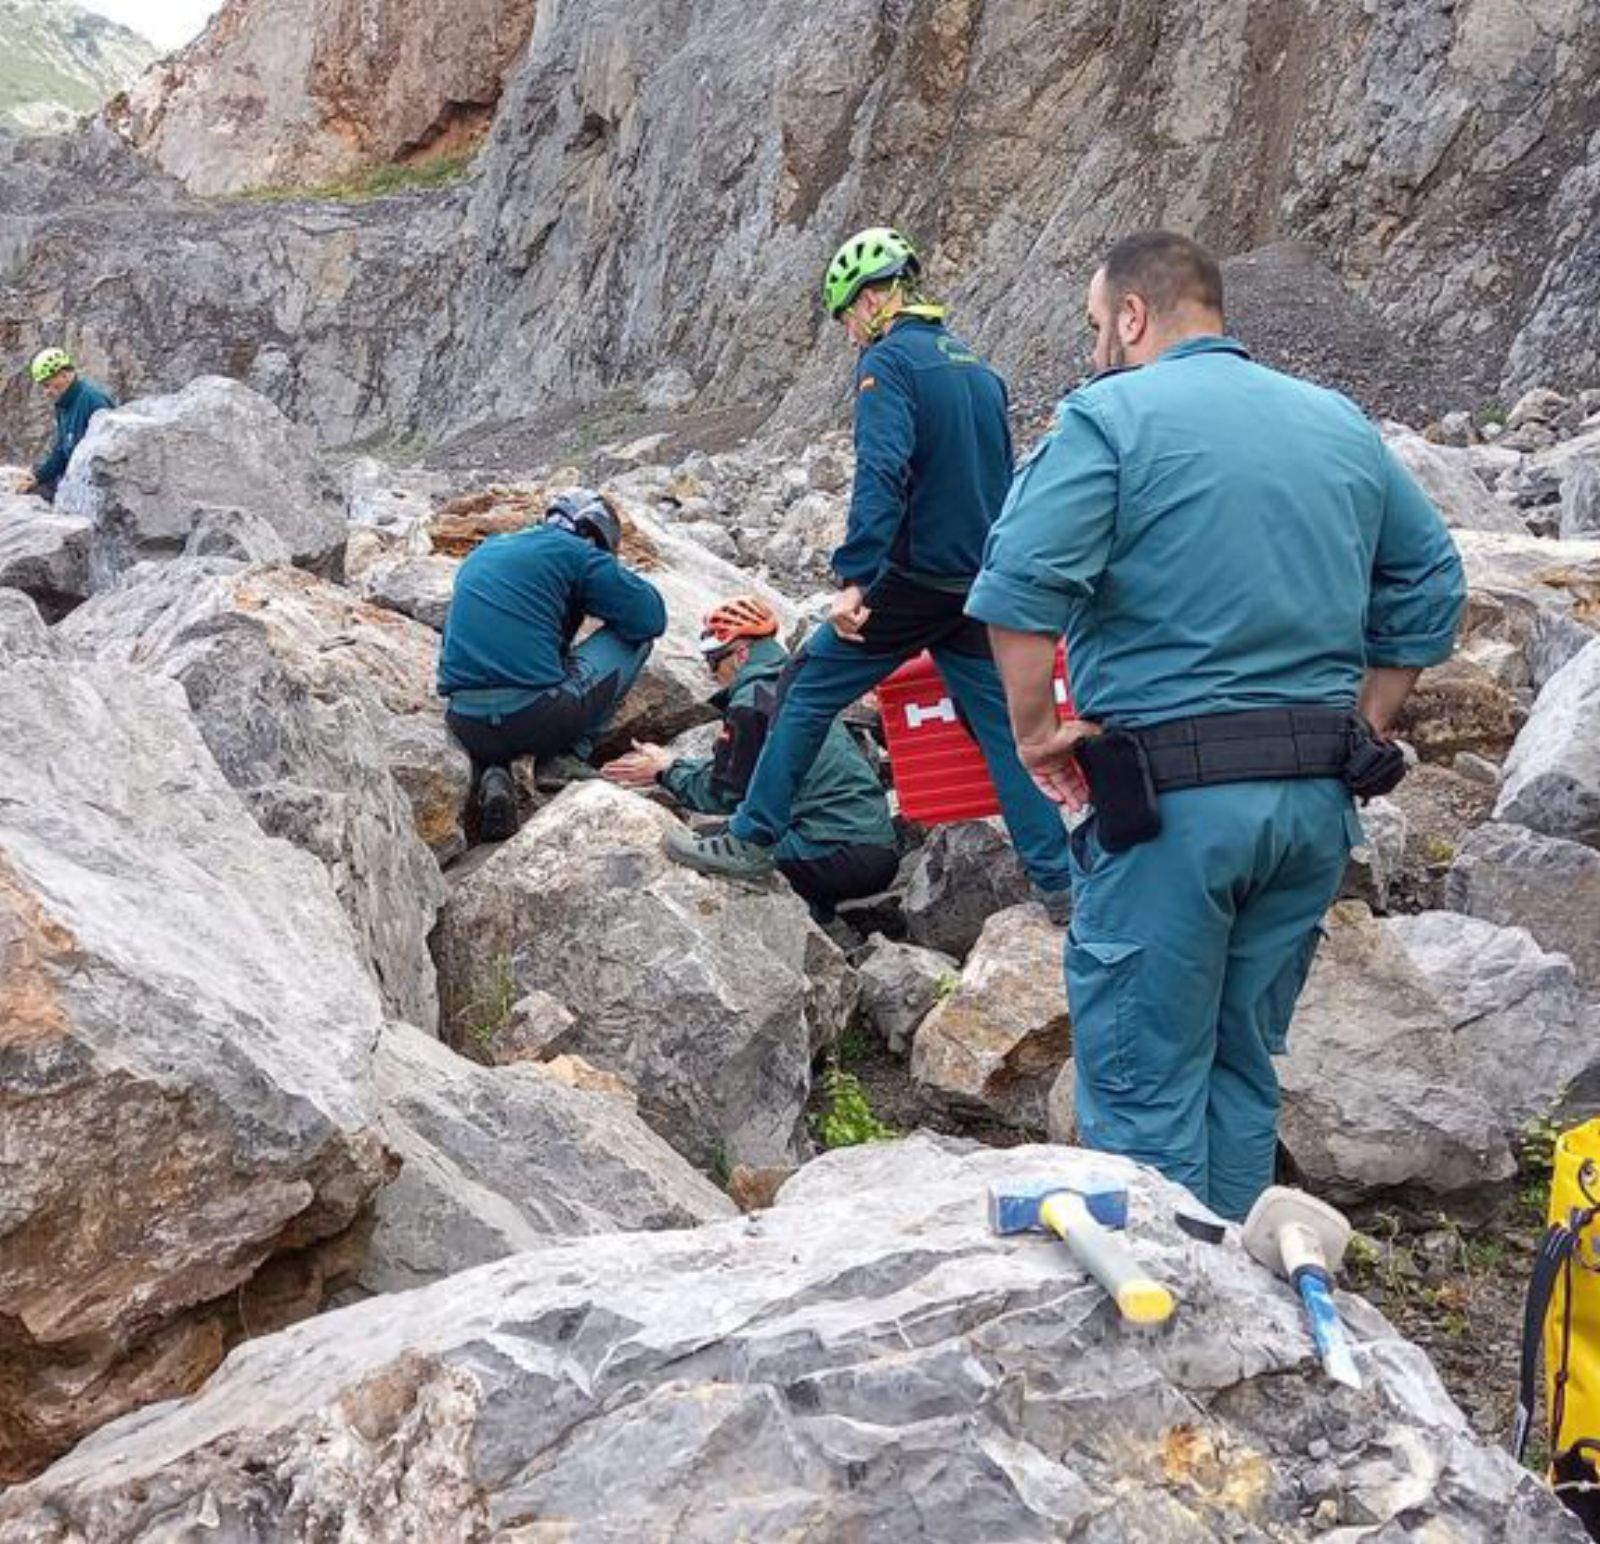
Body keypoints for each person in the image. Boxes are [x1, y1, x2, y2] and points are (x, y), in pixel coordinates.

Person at [967, 230, 1466, 1221]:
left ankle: (1169, 1325)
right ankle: (1244, 1289)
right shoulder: (1337, 421)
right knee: (1240, 1062)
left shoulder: (1108, 418)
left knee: (1145, 1076)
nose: (1094, 344)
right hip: (1312, 808)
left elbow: (1020, 587)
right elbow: (1429, 578)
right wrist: (1361, 721)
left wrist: (1035, 731)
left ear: (1133, 316)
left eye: (1094, 324)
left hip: (1170, 810)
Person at [663, 226, 1073, 916]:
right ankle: (1060, 881)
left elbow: (883, 471)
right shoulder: (979, 369)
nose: (850, 329)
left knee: (804, 689)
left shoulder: (888, 363)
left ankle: (751, 835)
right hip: (976, 583)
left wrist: (855, 578)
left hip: (909, 583)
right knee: (1001, 732)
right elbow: (1005, 479)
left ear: (875, 297)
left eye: (848, 311)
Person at [604, 595, 900, 923]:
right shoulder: (799, 688)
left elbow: (724, 792)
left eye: (714, 661)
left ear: (741, 654)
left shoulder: (752, 700)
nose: (712, 673)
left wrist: (666, 771)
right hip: (870, 848)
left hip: (837, 854)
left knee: (705, 845)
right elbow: (751, 776)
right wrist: (672, 764)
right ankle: (820, 918)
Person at [437, 487, 667, 842]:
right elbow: (650, 617)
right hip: (536, 717)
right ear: (595, 535)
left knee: (504, 677)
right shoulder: (578, 553)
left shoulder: (487, 549)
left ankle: (494, 770)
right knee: (635, 640)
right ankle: (565, 757)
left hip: (465, 722)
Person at [15, 348, 115, 502]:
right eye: (44, 386)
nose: (47, 392)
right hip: (75, 480)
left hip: (95, 488)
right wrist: (37, 477)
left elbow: (110, 454)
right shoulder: (64, 404)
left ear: (64, 374)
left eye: (48, 384)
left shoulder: (94, 402)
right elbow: (62, 451)